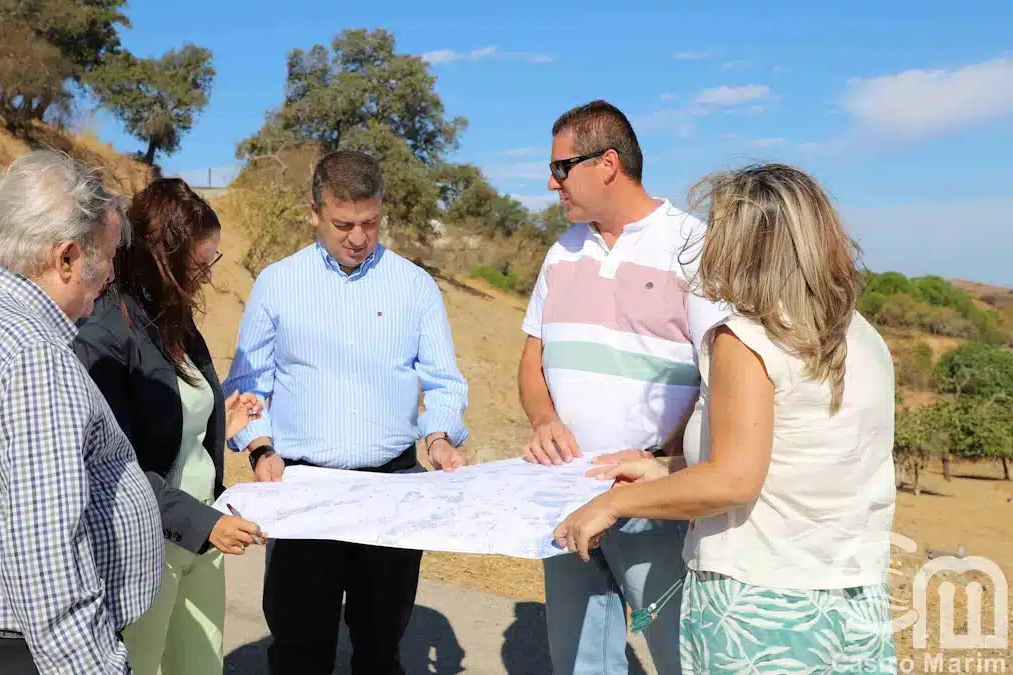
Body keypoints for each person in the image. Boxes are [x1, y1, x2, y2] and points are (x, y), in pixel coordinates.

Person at [554, 163, 897, 674]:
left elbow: (735, 479)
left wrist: (613, 502)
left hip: (758, 604)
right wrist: (662, 470)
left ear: (740, 242)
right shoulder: (860, 335)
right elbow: (784, 462)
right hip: (853, 602)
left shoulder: (748, 339)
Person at [0, 149, 164, 674]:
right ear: (66, 258)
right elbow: (48, 561)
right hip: (25, 653)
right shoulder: (33, 361)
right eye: (107, 258)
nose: (110, 276)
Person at [222, 149, 470, 675]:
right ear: (313, 212)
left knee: (380, 650)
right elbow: (247, 383)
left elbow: (444, 381)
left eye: (370, 223)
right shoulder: (278, 283)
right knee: (298, 650)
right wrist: (260, 447)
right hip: (306, 491)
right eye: (343, 224)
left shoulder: (415, 286)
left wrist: (440, 438)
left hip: (393, 490)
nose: (358, 237)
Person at [517, 100, 729, 675]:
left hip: (656, 504)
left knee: (681, 654)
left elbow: (724, 376)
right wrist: (544, 421)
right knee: (580, 658)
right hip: (565, 494)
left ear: (607, 163)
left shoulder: (696, 247)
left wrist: (667, 458)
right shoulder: (560, 253)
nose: (551, 180)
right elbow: (531, 361)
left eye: (562, 167)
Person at [72, 178, 268, 675]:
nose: (207, 276)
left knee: (200, 667)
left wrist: (223, 416)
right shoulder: (106, 336)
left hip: (203, 535)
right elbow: (117, 470)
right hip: (149, 542)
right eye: (199, 264)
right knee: (136, 663)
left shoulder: (175, 318)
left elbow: (179, 417)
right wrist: (206, 525)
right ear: (163, 259)